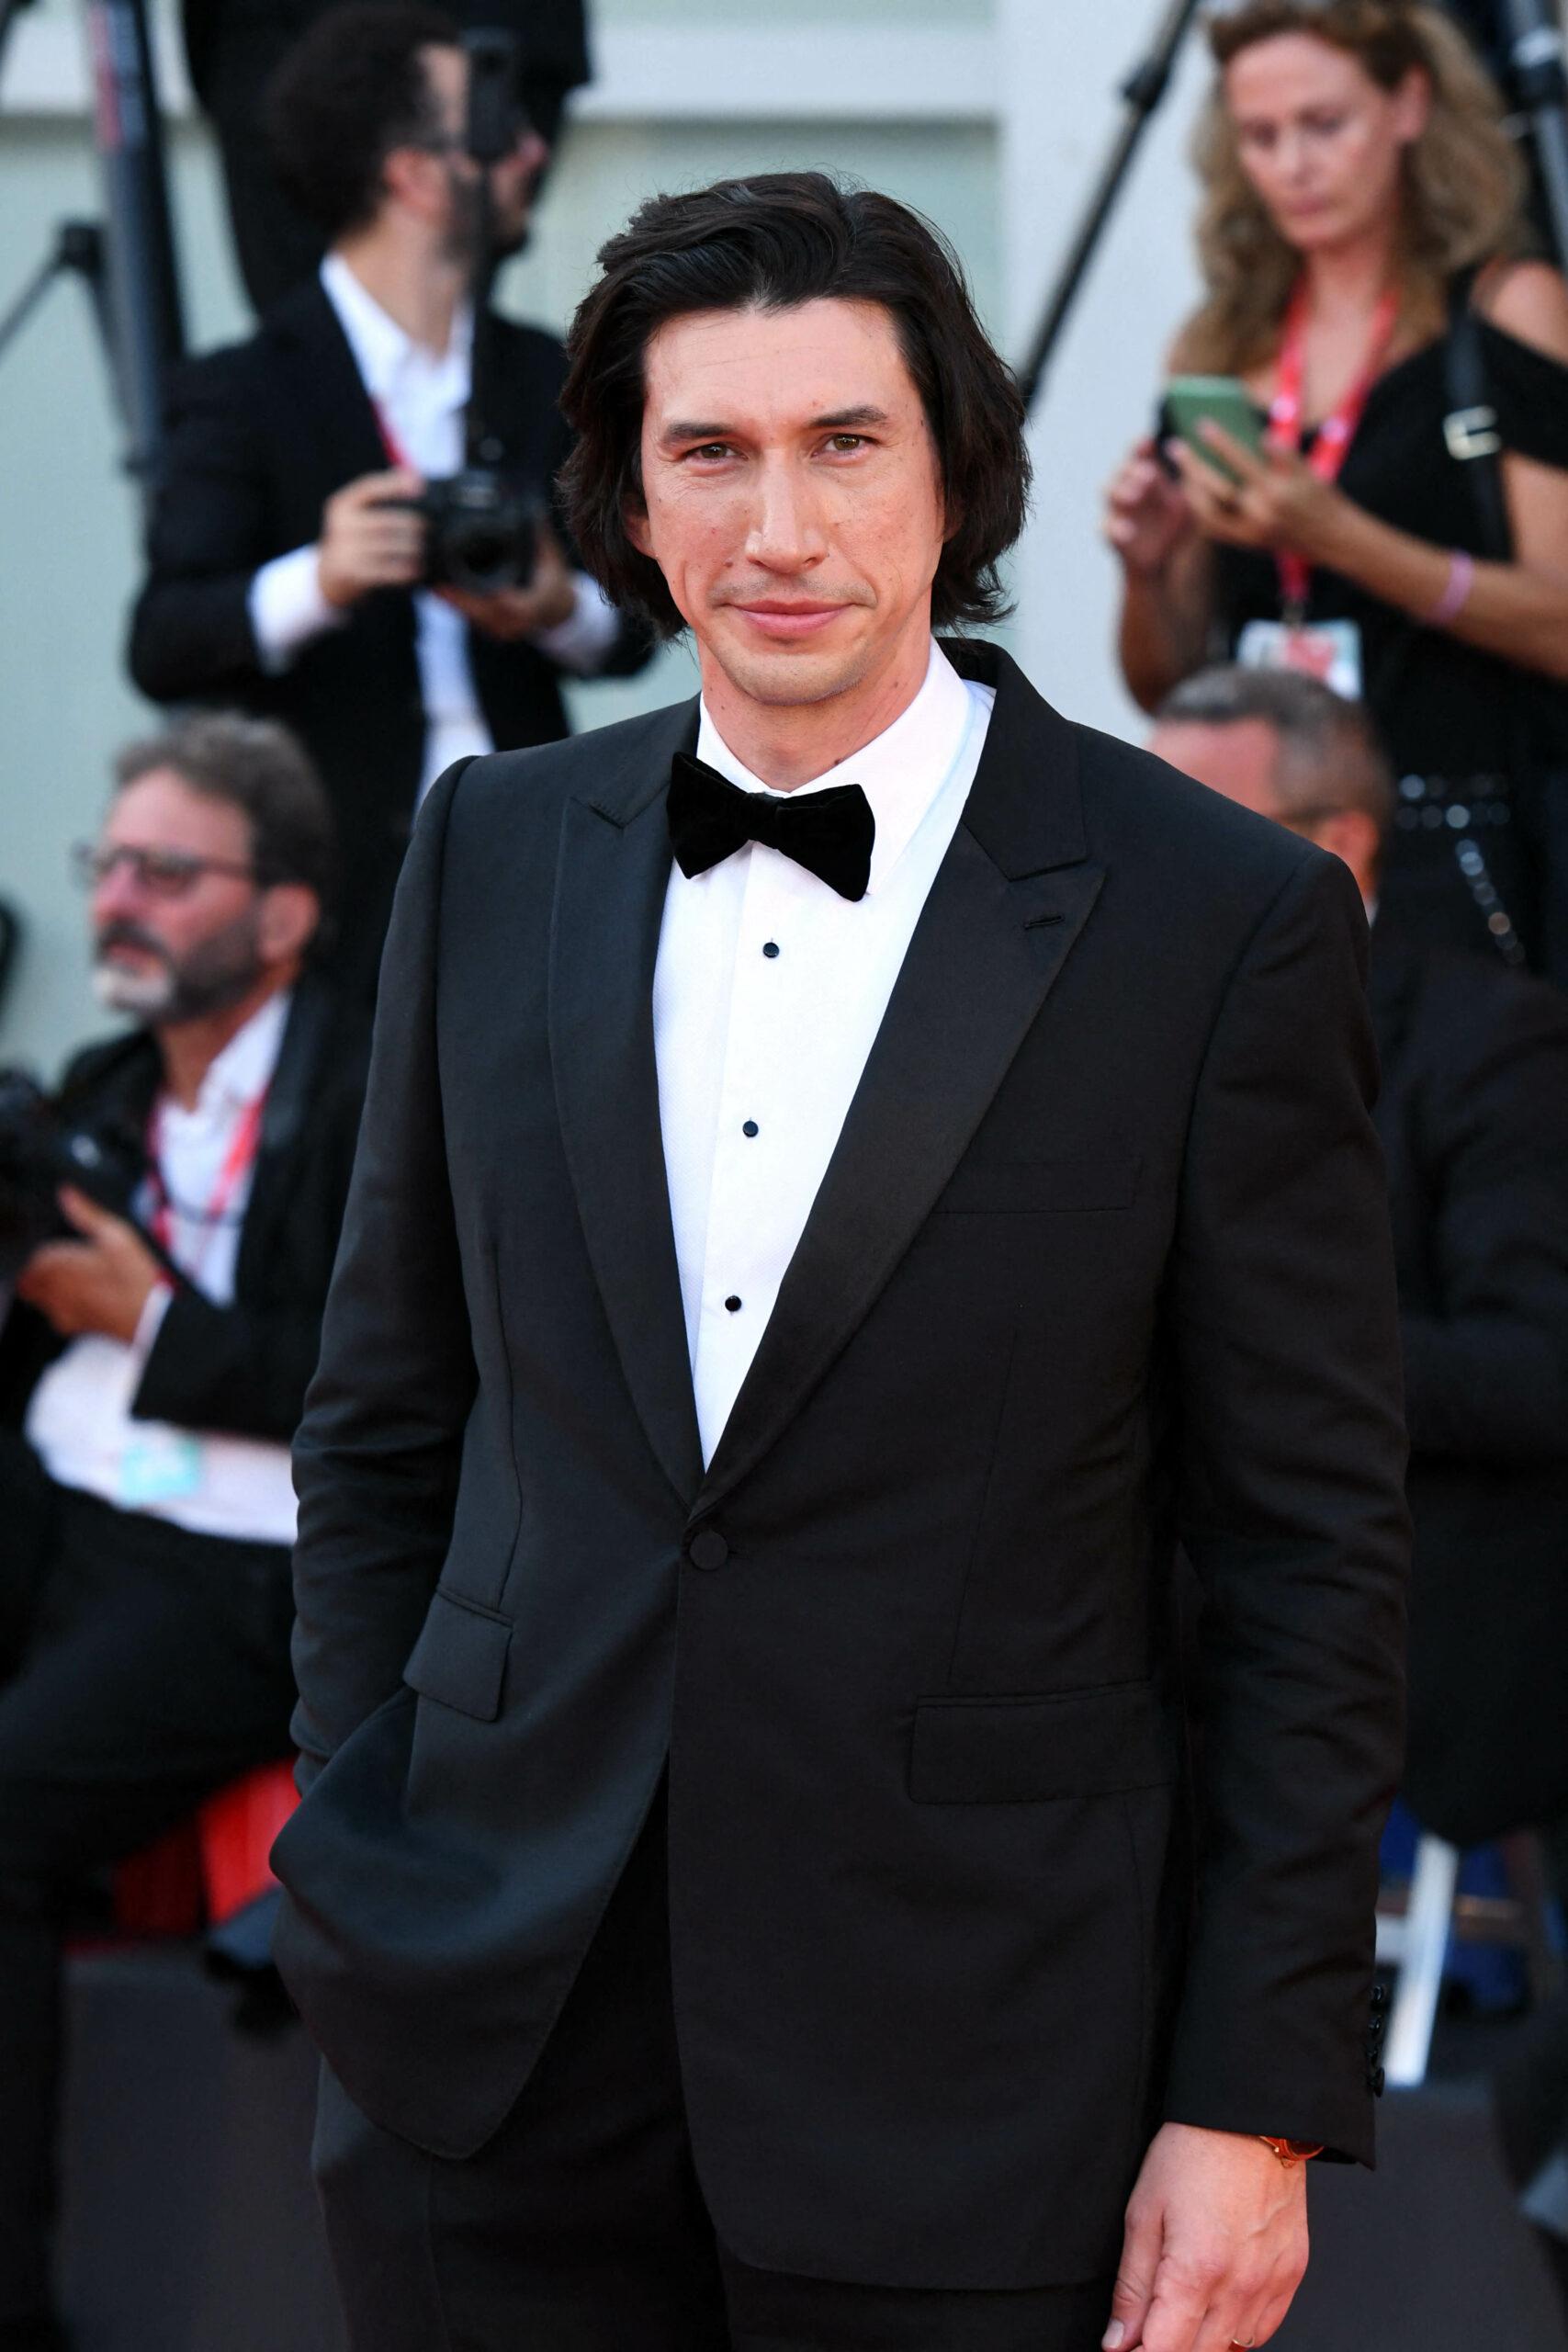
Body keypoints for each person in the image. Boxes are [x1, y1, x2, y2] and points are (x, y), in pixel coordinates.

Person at [272, 172, 1409, 2352]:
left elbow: (1303, 1554)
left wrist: (1249, 2096)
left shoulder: (1215, 915)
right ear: (622, 494)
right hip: (482, 2061)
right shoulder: (487, 847)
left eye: (841, 443)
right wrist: (365, 1851)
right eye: (707, 451)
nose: (774, 523)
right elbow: (384, 1409)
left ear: (952, 471)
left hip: (974, 2072)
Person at [0, 714, 367, 2352]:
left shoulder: (373, 1099)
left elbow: (396, 1388)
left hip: (248, 1568)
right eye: (108, 867)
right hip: (61, 1506)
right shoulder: (92, 1084)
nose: (119, 905)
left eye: (166, 871)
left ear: (281, 913)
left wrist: (149, 1327)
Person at [129, 4, 649, 1001]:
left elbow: (631, 631)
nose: (532, 146)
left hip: (526, 870)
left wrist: (556, 608)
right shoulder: (243, 389)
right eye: (491, 127)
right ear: (410, 174)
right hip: (326, 899)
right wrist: (315, 580)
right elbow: (163, 641)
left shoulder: (548, 377)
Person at [1149, 663, 1568, 1856]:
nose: (1147, 873)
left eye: (1196, 837)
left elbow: (1532, 1369)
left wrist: (1256, 1353)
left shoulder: (1486, 1041)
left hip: (1372, 1582)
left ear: (1334, 847)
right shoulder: (1099, 1023)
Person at [1105, 0, 1568, 979]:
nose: (1293, 167)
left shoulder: (1506, 309)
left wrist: (1340, 534)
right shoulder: (1225, 343)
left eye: (1324, 125)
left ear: (1410, 105)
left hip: (1466, 855)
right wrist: (1147, 573)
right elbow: (1170, 685)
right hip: (1266, 850)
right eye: (1262, 136)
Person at [180, 0, 591, 314]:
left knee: (451, 314)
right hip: (271, 44)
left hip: (492, 27)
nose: (533, 152)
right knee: (301, 350)